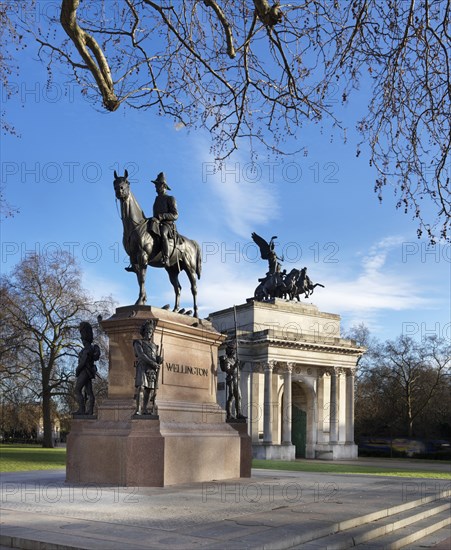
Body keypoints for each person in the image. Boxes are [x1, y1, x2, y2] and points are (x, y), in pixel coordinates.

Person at [149, 172, 178, 267]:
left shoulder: (170, 198)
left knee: (163, 233)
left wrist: (162, 216)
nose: (156, 187)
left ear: (163, 186)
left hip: (167, 225)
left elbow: (175, 215)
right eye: (156, 185)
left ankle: (166, 258)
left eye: (158, 185)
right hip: (156, 223)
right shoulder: (156, 199)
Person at [133, 319, 162, 415]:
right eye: (147, 331)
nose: (149, 333)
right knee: (141, 387)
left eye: (151, 331)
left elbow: (154, 356)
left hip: (151, 369)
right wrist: (152, 362)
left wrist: (158, 359)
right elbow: (141, 355)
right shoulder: (138, 342)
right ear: (144, 331)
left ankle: (145, 409)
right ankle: (138, 409)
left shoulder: (154, 345)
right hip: (142, 366)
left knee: (149, 390)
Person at [74, 322, 100, 416]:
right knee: (89, 392)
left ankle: (82, 410)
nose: (81, 339)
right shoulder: (91, 348)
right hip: (88, 372)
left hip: (84, 371)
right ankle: (90, 411)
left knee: (77, 390)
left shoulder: (86, 350)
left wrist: (77, 371)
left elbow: (82, 363)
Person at [219, 343, 246, 421]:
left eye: (234, 350)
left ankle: (238, 414)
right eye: (233, 350)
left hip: (236, 379)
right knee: (232, 397)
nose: (234, 352)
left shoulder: (234, 359)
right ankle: (229, 414)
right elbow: (228, 371)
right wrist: (235, 365)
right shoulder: (227, 361)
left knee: (238, 397)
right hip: (231, 379)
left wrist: (238, 364)